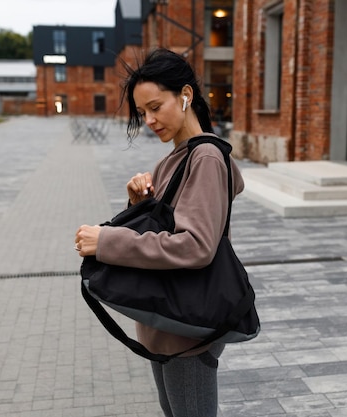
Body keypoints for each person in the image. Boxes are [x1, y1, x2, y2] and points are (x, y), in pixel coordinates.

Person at [74, 48, 244, 417]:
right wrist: (138, 204)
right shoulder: (174, 158)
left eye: (155, 107)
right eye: (141, 113)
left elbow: (196, 246)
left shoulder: (206, 159)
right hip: (166, 323)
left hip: (188, 331)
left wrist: (107, 241)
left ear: (185, 95)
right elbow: (165, 227)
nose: (149, 120)